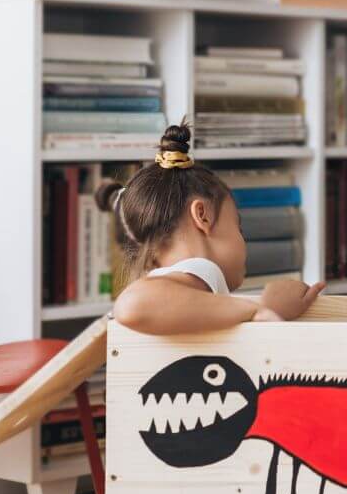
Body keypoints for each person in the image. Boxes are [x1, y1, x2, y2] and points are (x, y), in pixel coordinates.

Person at [98, 121, 324, 334]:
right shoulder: (200, 272)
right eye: (239, 227)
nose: (243, 241)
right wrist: (261, 309)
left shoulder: (182, 296)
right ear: (202, 217)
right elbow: (131, 305)